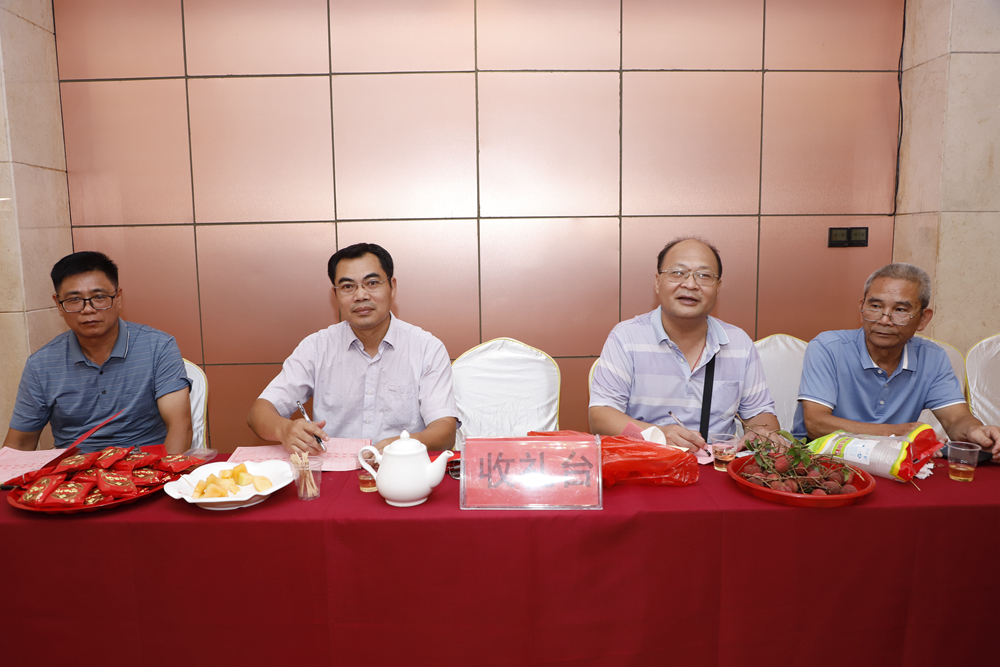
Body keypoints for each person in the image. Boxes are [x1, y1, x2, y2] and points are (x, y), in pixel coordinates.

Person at [247, 243, 459, 455]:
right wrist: (284, 429)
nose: (361, 295)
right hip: (332, 470)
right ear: (336, 294)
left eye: (372, 283)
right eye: (348, 286)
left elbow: (445, 431)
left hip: (402, 468)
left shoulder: (427, 349)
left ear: (392, 286)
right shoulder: (316, 348)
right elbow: (258, 413)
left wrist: (400, 446)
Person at [793, 263, 1000, 461]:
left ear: (923, 319)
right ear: (862, 308)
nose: (884, 320)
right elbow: (816, 423)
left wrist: (975, 431)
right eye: (875, 306)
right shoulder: (828, 347)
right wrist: (894, 433)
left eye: (900, 310)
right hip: (825, 460)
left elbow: (956, 419)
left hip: (896, 464)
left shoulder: (932, 357)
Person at [589, 238, 779, 453]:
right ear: (657, 282)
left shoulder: (738, 343)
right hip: (647, 462)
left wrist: (761, 432)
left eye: (704, 275)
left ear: (718, 287)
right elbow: (601, 416)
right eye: (678, 273)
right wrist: (657, 434)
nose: (690, 284)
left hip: (716, 466)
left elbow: (761, 414)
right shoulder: (626, 337)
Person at [3, 252, 192, 454]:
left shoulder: (159, 347)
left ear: (118, 298)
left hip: (147, 467)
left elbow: (180, 427)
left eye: (99, 297)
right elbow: (19, 445)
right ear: (59, 305)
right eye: (74, 299)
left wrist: (165, 471)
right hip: (75, 470)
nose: (88, 309)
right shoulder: (40, 365)